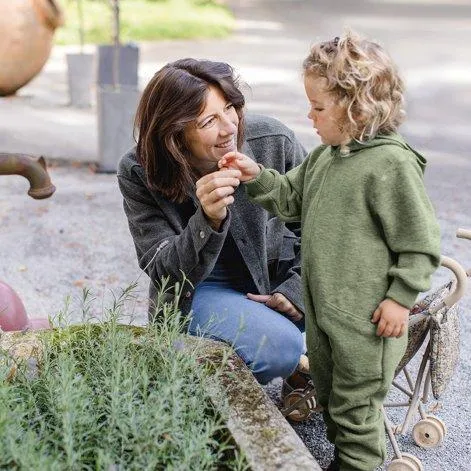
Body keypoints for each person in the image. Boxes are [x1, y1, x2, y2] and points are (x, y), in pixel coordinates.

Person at [219, 32, 441, 470]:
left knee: (356, 407)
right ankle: (347, 453)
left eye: (319, 107)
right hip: (325, 316)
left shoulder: (390, 164)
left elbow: (420, 243)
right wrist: (254, 174)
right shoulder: (326, 157)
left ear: (358, 108)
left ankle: (358, 462)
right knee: (334, 395)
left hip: (367, 322)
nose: (310, 114)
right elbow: (288, 199)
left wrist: (400, 298)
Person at [117, 58, 308, 385]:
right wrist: (207, 219)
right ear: (174, 133)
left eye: (231, 107)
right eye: (208, 121)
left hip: (274, 279)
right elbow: (163, 271)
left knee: (362, 286)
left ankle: (256, 355)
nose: (230, 127)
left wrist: (297, 290)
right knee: (280, 348)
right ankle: (187, 375)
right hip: (201, 291)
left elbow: (324, 227)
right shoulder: (139, 170)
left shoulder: (274, 140)